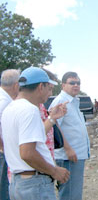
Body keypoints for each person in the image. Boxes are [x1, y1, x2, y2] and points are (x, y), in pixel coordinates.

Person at [1, 67, 70, 200]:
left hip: (18, 182)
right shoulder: (29, 110)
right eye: (48, 88)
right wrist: (54, 171)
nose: (50, 93)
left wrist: (51, 118)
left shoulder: (10, 108)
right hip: (34, 183)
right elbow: (27, 153)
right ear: (40, 86)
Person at [49, 71, 90, 200]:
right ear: (63, 85)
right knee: (69, 194)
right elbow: (53, 126)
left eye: (78, 83)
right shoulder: (61, 101)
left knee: (74, 193)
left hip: (77, 155)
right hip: (68, 157)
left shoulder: (73, 102)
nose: (76, 85)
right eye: (72, 83)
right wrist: (68, 148)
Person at [0, 69, 20, 200]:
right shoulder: (5, 101)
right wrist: (3, 148)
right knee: (4, 189)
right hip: (2, 153)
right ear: (15, 85)